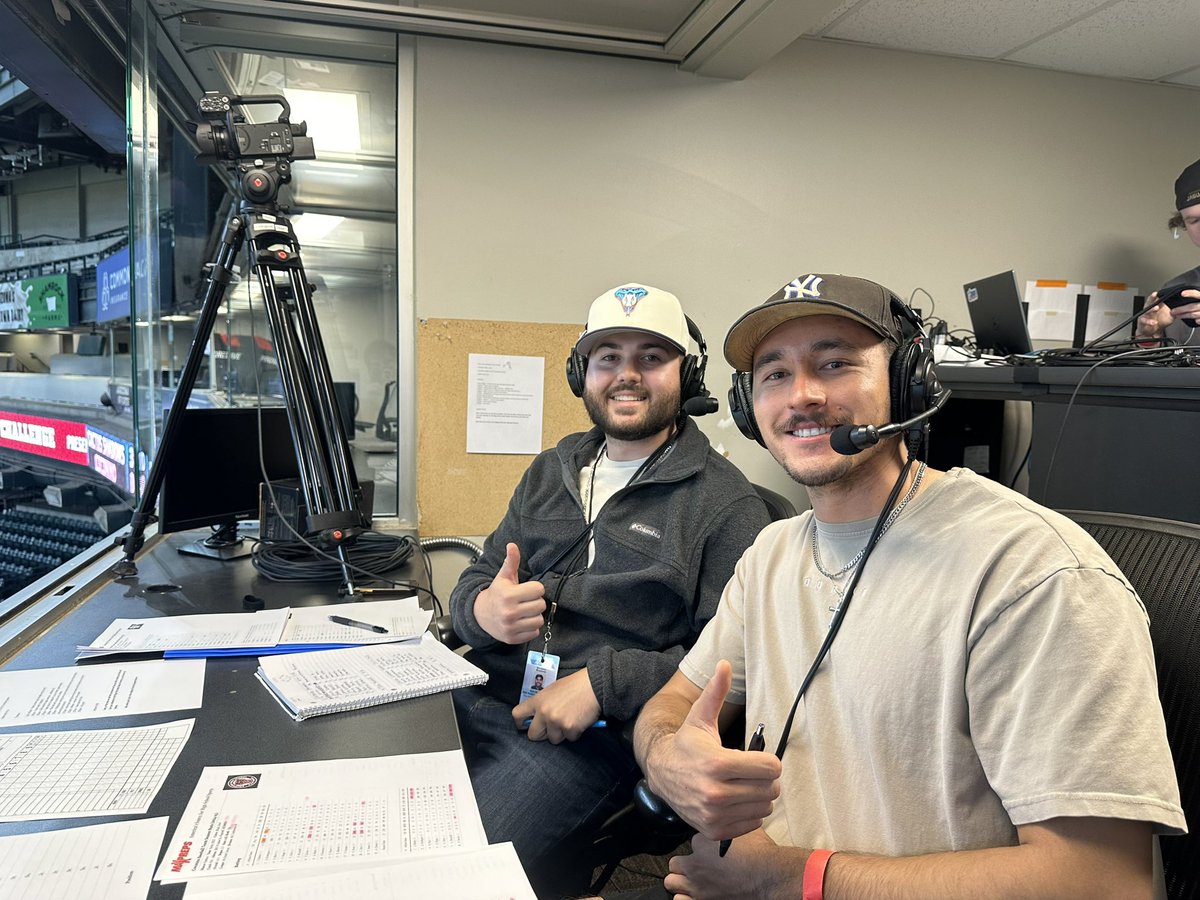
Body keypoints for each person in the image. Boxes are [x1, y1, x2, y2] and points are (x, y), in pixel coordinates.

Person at [634, 273, 1186, 899]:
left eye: (835, 363)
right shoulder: (772, 553)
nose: (802, 396)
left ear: (908, 381)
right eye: (774, 374)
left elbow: (1105, 883)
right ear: (747, 405)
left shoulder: (1031, 573)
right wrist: (665, 759)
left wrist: (795, 879)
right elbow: (672, 704)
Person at [449, 282, 771, 897]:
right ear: (583, 372)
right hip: (476, 692)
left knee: (450, 872)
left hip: (583, 742)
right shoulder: (551, 468)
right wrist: (483, 612)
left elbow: (733, 663)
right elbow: (475, 582)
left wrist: (605, 683)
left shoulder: (726, 505)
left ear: (687, 373)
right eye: (608, 357)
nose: (628, 374)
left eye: (651, 356)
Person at [1136, 157, 1200, 343]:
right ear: (1184, 225)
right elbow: (1157, 368)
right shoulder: (1176, 290)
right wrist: (1149, 336)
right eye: (1195, 220)